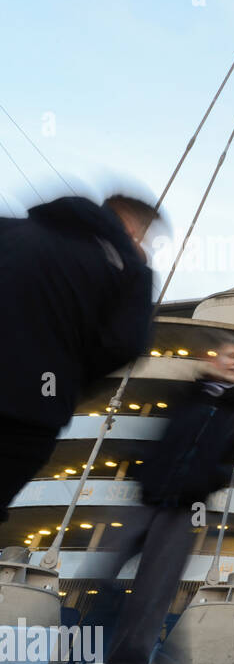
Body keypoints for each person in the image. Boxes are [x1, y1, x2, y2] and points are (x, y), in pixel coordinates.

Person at [97, 335, 234, 664]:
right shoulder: (185, 395)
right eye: (232, 356)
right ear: (212, 359)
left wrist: (209, 481)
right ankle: (135, 646)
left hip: (185, 509)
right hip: (147, 498)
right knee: (102, 574)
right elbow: (158, 438)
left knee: (152, 594)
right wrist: (145, 472)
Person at [1, 194, 158, 520]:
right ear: (134, 228)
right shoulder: (129, 269)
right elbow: (122, 346)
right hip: (27, 413)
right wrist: (65, 382)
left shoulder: (11, 229)